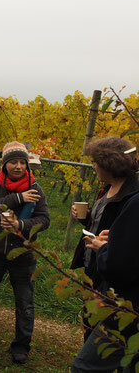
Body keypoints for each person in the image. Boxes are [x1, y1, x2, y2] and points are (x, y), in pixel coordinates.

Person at [0, 141, 50, 364]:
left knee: (25, 304)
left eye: (23, 162)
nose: (19, 166)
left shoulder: (36, 188)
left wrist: (21, 226)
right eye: (13, 162)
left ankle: (21, 346)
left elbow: (44, 219)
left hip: (23, 253)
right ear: (5, 164)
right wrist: (19, 199)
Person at [70, 137, 139, 341]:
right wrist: (86, 218)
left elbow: (126, 240)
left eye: (96, 162)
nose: (93, 166)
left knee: (103, 326)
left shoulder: (131, 197)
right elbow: (105, 225)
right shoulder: (107, 188)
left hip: (112, 272)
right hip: (95, 265)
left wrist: (106, 246)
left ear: (109, 165)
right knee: (89, 318)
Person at [71, 188, 139, 372]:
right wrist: (119, 239)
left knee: (84, 367)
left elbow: (118, 266)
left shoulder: (133, 199)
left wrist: (103, 250)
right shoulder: (105, 191)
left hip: (127, 308)